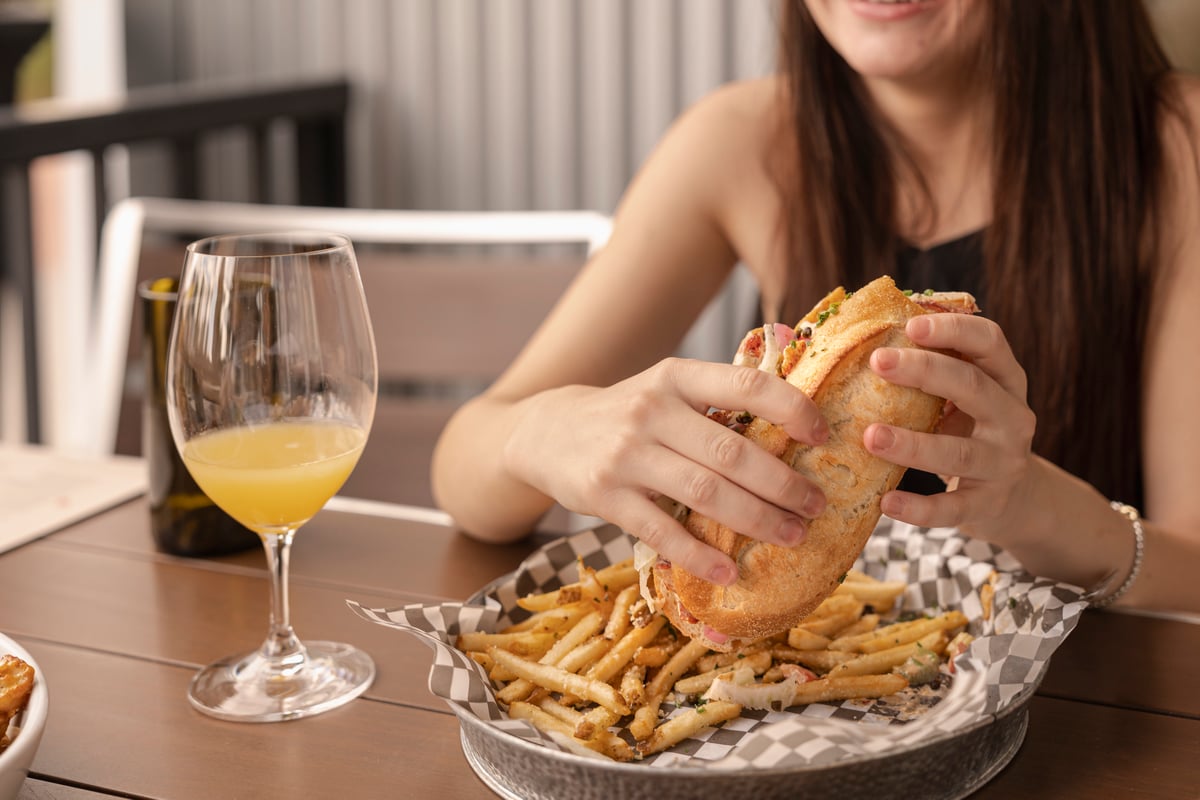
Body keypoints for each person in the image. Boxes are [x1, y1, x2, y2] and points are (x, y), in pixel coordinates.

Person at [432, 0, 1200, 614]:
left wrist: (1026, 503)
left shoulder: (1177, 147)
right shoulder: (739, 141)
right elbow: (463, 472)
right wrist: (545, 429)